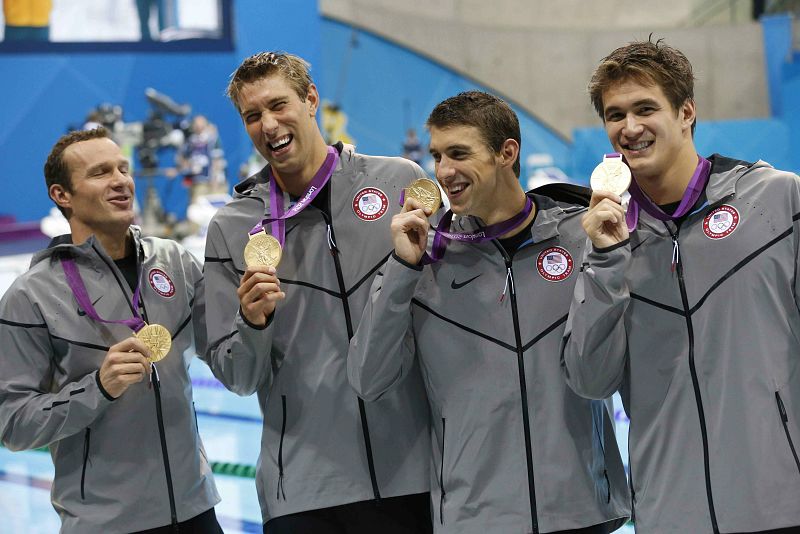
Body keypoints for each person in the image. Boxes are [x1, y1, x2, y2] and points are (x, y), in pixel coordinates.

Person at [348, 90, 630, 534]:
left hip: (580, 509)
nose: (444, 171)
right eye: (437, 156)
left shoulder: (579, 238)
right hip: (476, 517)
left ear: (506, 153)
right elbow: (368, 379)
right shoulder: (426, 260)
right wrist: (402, 268)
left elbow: (606, 369)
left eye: (459, 153)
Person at [561, 38, 800, 533]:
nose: (630, 128)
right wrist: (606, 261)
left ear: (686, 112)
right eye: (615, 115)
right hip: (671, 513)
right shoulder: (602, 238)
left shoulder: (776, 200)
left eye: (645, 108)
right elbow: (590, 380)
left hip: (779, 503)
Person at [203, 51, 431, 533]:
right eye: (252, 115)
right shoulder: (233, 227)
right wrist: (253, 322)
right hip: (304, 489)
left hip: (410, 474)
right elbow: (237, 377)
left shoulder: (398, 181)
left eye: (278, 105)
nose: (268, 125)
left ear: (310, 100)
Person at [0, 128, 221, 533]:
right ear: (62, 195)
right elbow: (12, 424)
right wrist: (98, 388)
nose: (121, 181)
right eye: (100, 172)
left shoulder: (174, 262)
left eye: (123, 169)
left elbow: (233, 364)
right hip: (106, 522)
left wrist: (255, 319)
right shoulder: (30, 296)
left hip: (195, 509)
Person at [174, 114, 227, 203]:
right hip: (197, 182)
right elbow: (182, 158)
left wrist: (215, 179)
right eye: (196, 124)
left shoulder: (212, 139)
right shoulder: (191, 140)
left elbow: (217, 160)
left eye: (201, 124)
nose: (199, 126)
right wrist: (184, 169)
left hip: (212, 182)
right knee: (196, 207)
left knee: (214, 207)